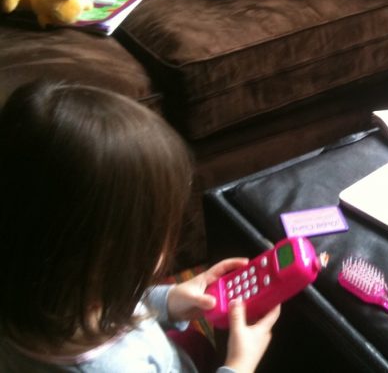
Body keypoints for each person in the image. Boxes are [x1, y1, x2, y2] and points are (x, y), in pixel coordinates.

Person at [0, 80, 280, 372]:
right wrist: (239, 365)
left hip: (157, 348)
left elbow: (113, 302)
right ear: (108, 256)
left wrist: (169, 299)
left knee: (194, 344)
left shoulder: (45, 286)